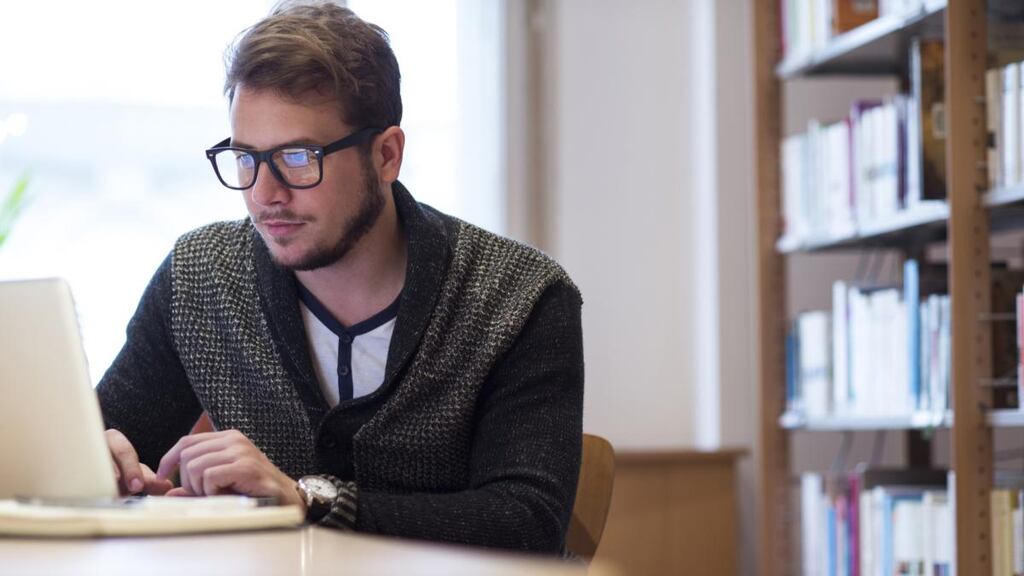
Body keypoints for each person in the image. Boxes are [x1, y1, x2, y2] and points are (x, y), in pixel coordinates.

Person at [95, 0, 584, 555]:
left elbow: (527, 523)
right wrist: (95, 458)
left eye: (299, 157)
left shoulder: (519, 297)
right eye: (246, 157)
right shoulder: (201, 276)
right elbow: (112, 440)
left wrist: (308, 500)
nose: (265, 194)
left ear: (386, 155)